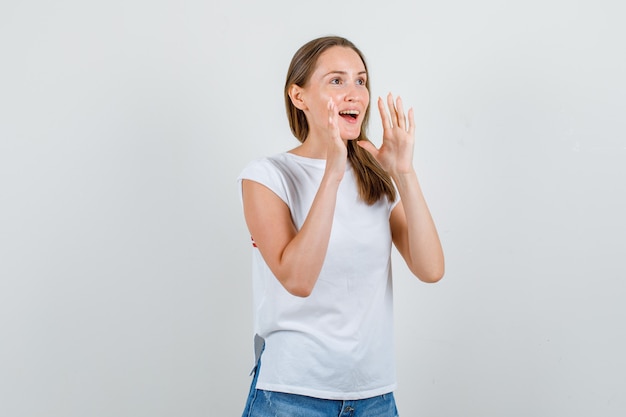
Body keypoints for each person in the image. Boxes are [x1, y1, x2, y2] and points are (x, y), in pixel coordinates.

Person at [237, 35, 445, 417]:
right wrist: (333, 170)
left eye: (360, 81)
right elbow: (298, 278)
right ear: (298, 96)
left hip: (374, 398)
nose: (354, 93)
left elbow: (431, 269)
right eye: (336, 80)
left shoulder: (375, 178)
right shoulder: (267, 176)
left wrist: (404, 172)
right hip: (290, 396)